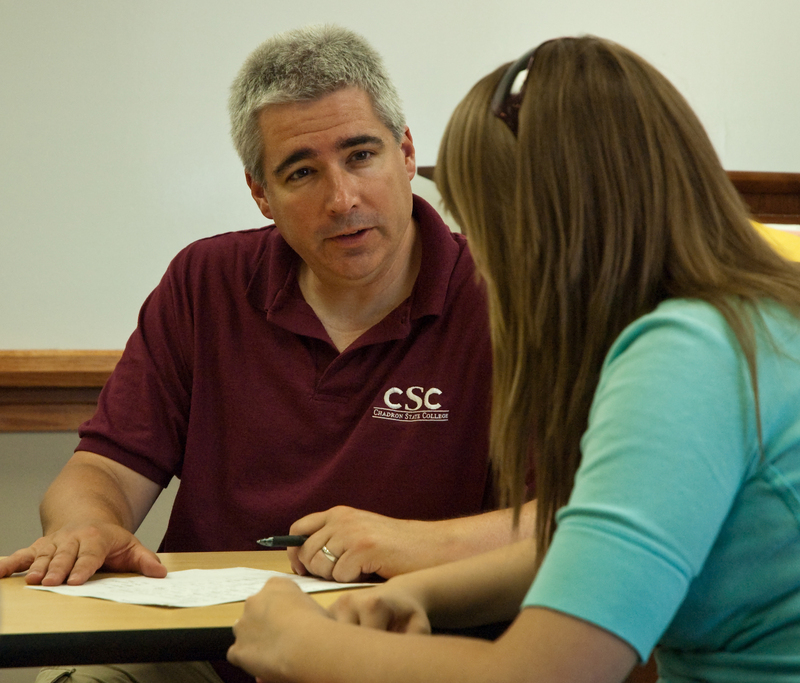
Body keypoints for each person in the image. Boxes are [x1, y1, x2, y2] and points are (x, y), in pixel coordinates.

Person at [226, 36, 800, 683]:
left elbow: (544, 673)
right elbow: (603, 552)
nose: (484, 265)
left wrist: (294, 640)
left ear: (549, 223)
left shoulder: (685, 358)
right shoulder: (749, 319)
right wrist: (424, 594)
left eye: (484, 225)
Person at [0, 24, 536, 683]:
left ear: (405, 153)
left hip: (412, 645)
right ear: (261, 192)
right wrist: (85, 526)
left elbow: (567, 528)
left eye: (361, 155)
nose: (343, 199)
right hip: (206, 647)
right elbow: (102, 472)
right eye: (302, 171)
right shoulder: (205, 281)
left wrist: (411, 545)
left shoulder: (505, 294)